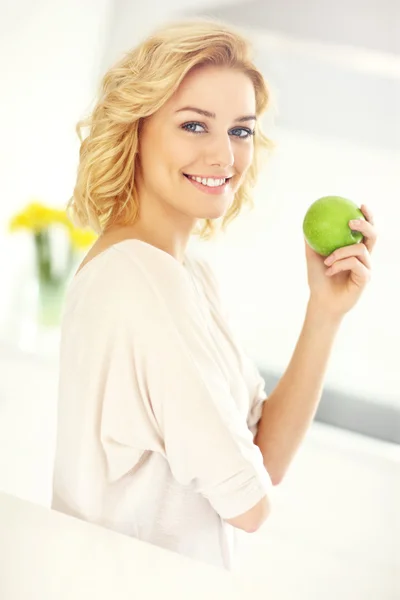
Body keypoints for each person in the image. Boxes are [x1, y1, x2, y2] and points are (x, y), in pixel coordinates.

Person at [51, 19, 378, 571]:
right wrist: (243, 469)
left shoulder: (187, 276)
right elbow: (250, 504)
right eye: (195, 126)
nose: (225, 157)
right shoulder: (142, 281)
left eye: (241, 130)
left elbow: (265, 459)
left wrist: (324, 312)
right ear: (136, 129)